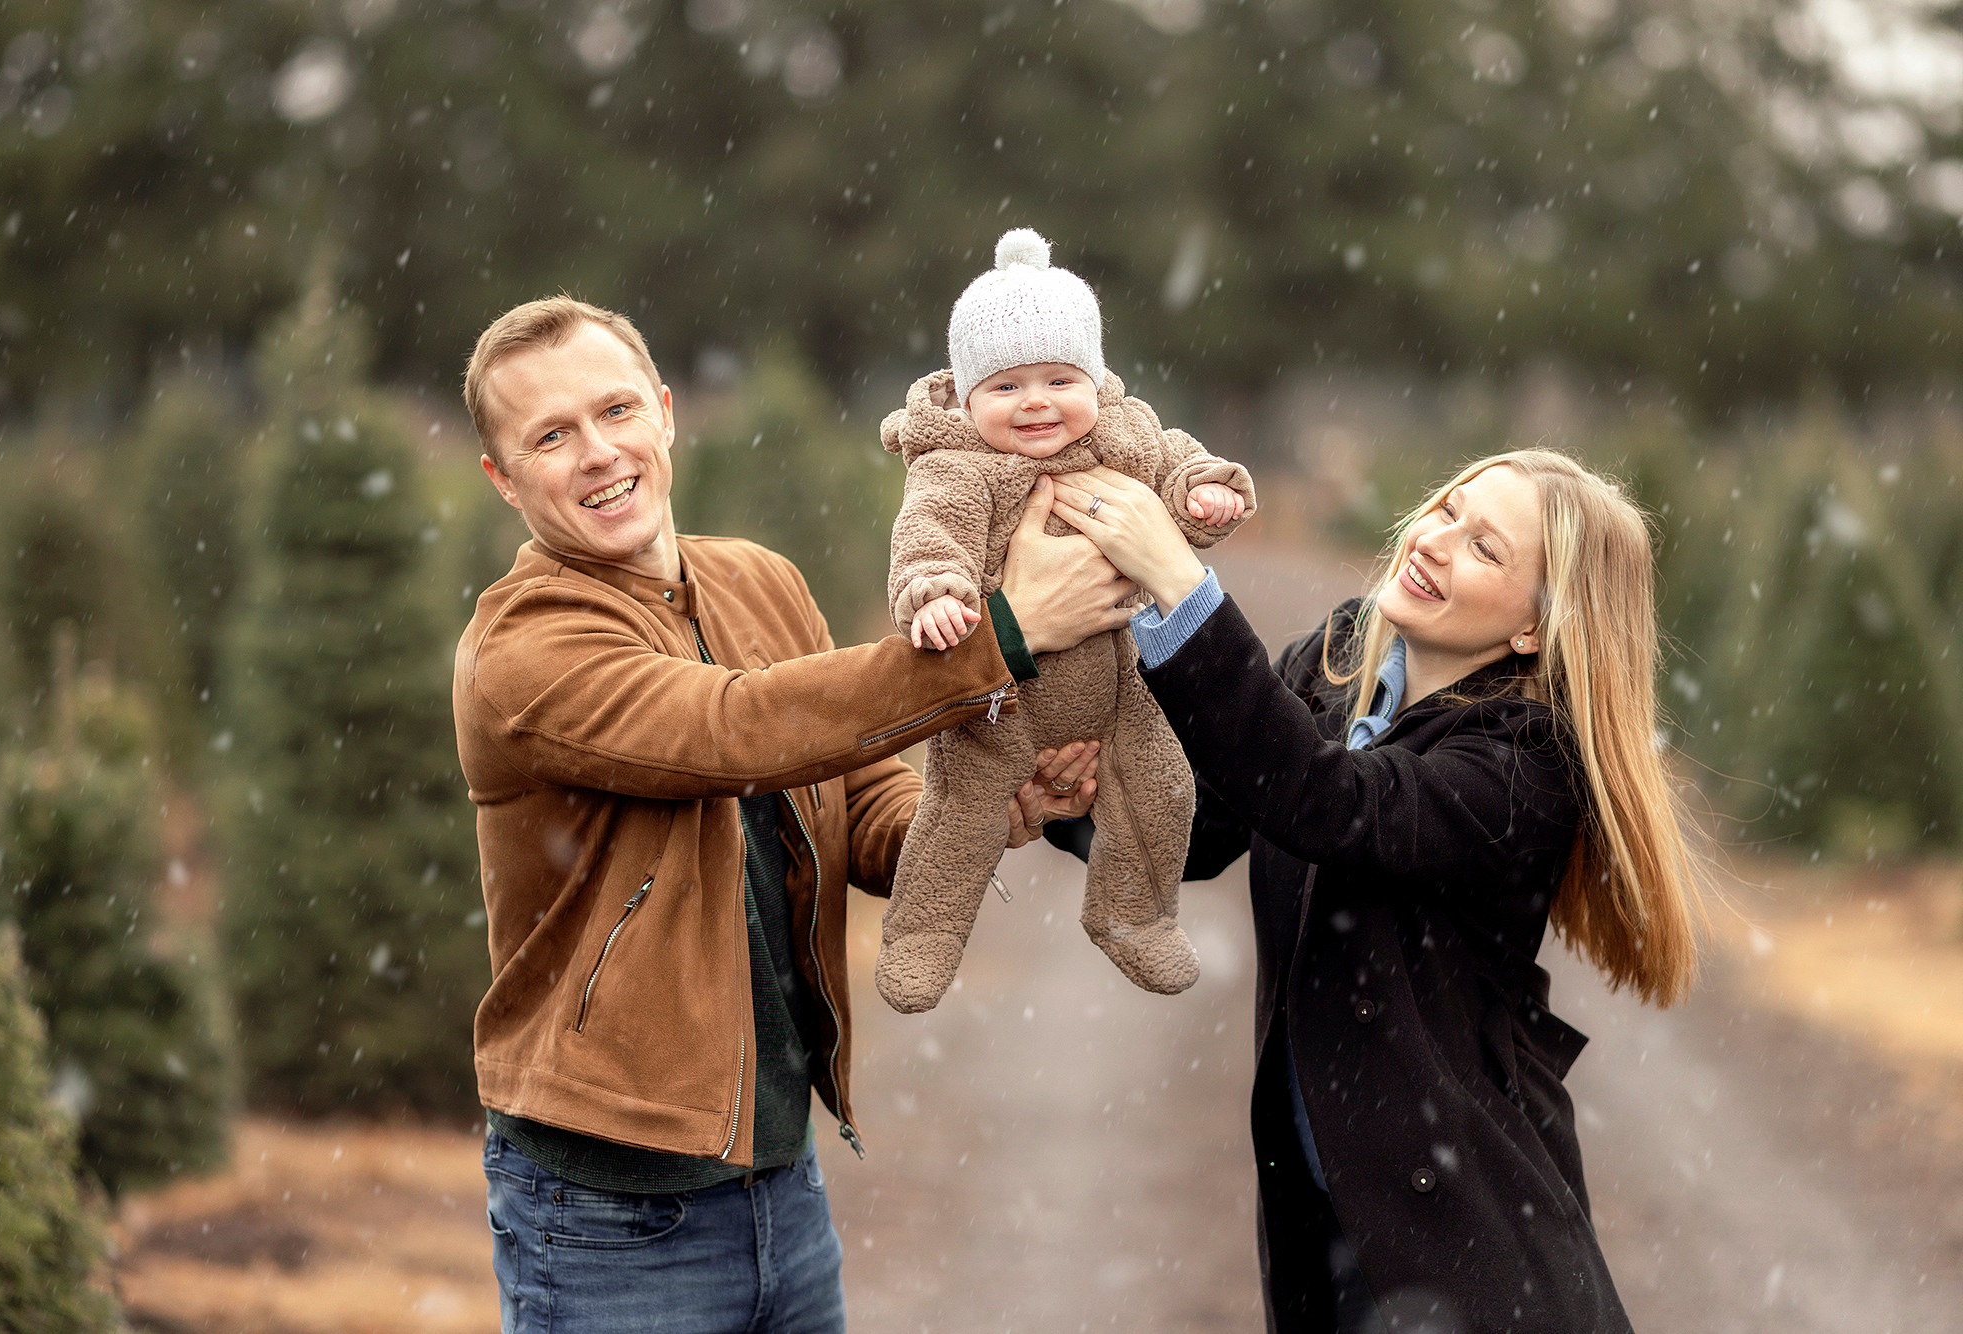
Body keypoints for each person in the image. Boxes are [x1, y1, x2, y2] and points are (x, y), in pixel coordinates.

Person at [451, 295, 1128, 1334]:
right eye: (550, 435)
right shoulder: (522, 647)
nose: (597, 452)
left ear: (666, 414)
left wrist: (989, 806)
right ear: (502, 477)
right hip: (607, 1213)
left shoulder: (756, 580)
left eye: (615, 410)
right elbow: (732, 729)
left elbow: (858, 807)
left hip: (780, 1180)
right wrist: (1008, 631)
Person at [1043, 448, 1703, 1333]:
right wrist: (1071, 800)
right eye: (1446, 511)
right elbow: (1203, 831)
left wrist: (1177, 580)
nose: (1433, 541)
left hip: (1466, 1250)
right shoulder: (1335, 660)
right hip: (1327, 1227)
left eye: (1484, 549)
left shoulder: (1526, 766)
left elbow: (1328, 803)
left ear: (1537, 631)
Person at [873, 227, 1255, 1013]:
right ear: (967, 395)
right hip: (996, 700)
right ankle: (924, 936)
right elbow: (928, 537)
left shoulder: (1122, 434)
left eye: (1058, 378)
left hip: (1120, 691)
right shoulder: (957, 466)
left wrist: (1202, 491)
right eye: (1006, 387)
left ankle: (1132, 915)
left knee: (1163, 789)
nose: (1037, 401)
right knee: (959, 816)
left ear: (1096, 376)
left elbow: (1175, 460)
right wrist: (939, 593)